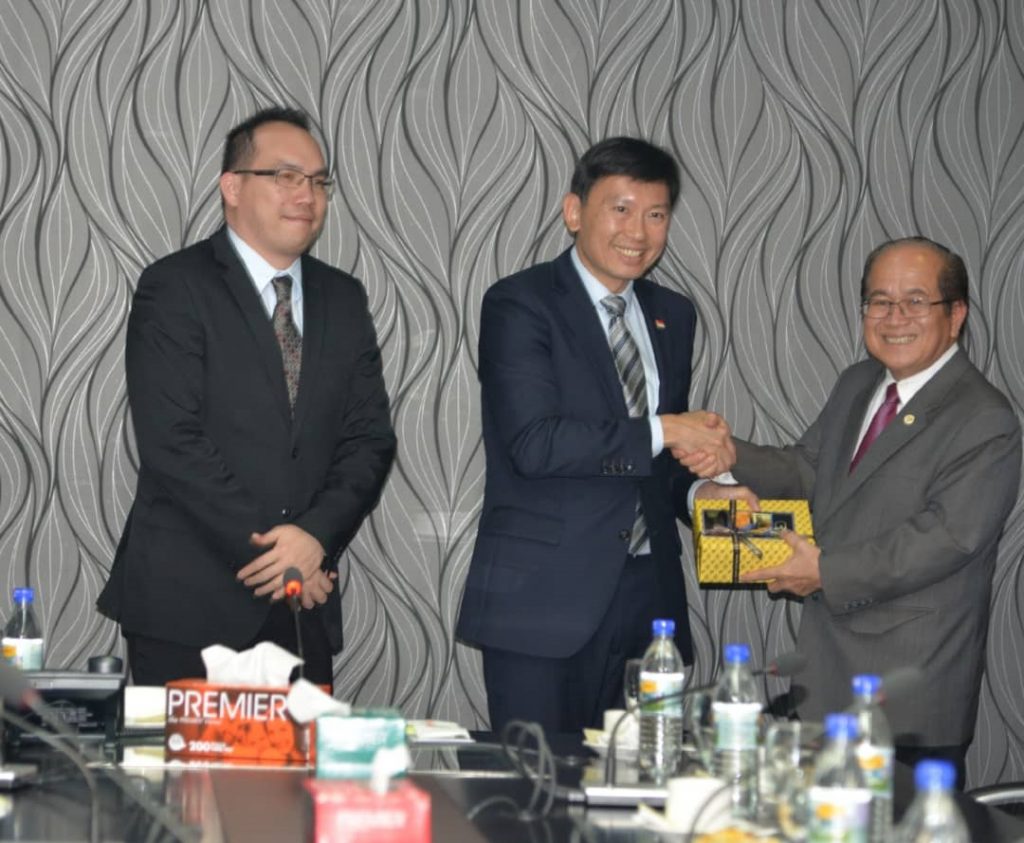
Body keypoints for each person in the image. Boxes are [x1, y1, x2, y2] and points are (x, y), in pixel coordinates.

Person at [696, 237, 1021, 786]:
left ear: (956, 314)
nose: (894, 318)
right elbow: (808, 470)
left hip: (909, 693)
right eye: (879, 301)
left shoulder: (984, 418)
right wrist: (729, 454)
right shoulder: (859, 382)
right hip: (825, 676)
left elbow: (946, 538)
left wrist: (823, 571)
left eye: (915, 301)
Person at [98, 107, 396, 689]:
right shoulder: (175, 286)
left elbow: (370, 439)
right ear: (232, 188)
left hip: (301, 604)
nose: (306, 194)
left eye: (318, 181)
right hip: (188, 603)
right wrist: (279, 554)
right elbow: (172, 443)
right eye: (285, 176)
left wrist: (314, 539)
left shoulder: (344, 297)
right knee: (185, 756)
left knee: (297, 753)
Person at [456, 137, 736, 735]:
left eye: (656, 214)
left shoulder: (674, 314)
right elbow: (535, 443)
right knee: (537, 784)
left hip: (648, 598)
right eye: (621, 209)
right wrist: (667, 428)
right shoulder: (519, 303)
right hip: (543, 599)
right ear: (574, 211)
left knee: (639, 780)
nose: (639, 231)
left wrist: (701, 494)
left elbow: (657, 458)